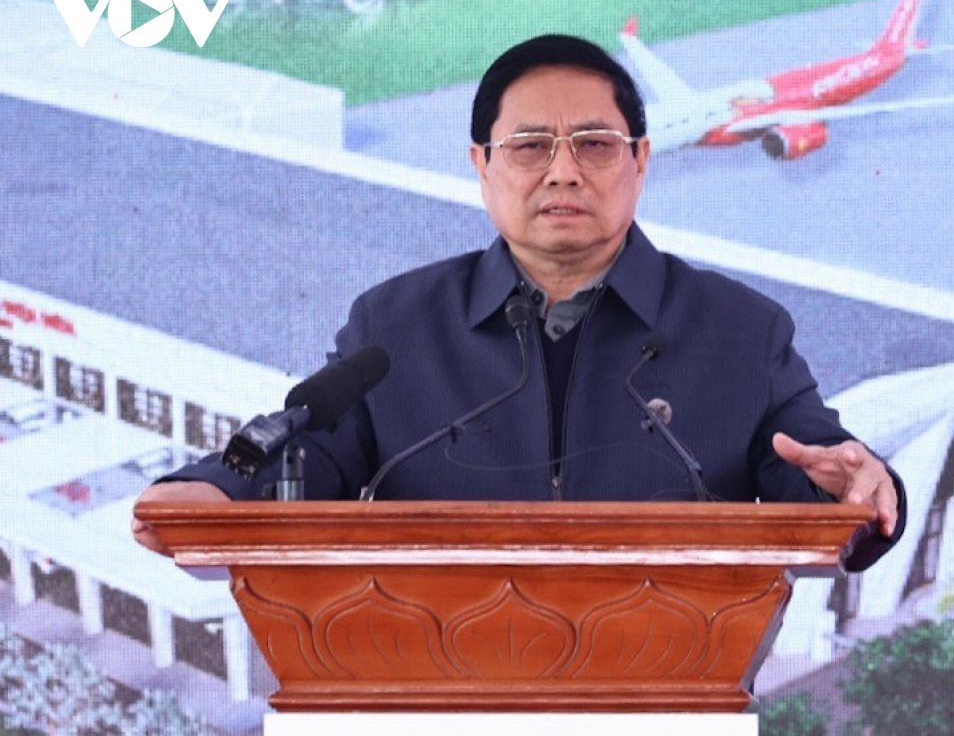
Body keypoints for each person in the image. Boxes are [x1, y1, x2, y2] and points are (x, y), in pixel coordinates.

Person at [133, 34, 906, 570]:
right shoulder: (395, 324)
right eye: (531, 146)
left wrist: (857, 486)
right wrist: (215, 490)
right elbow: (315, 454)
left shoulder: (741, 329)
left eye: (595, 145)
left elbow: (818, 464)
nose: (563, 172)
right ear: (482, 164)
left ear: (641, 160)